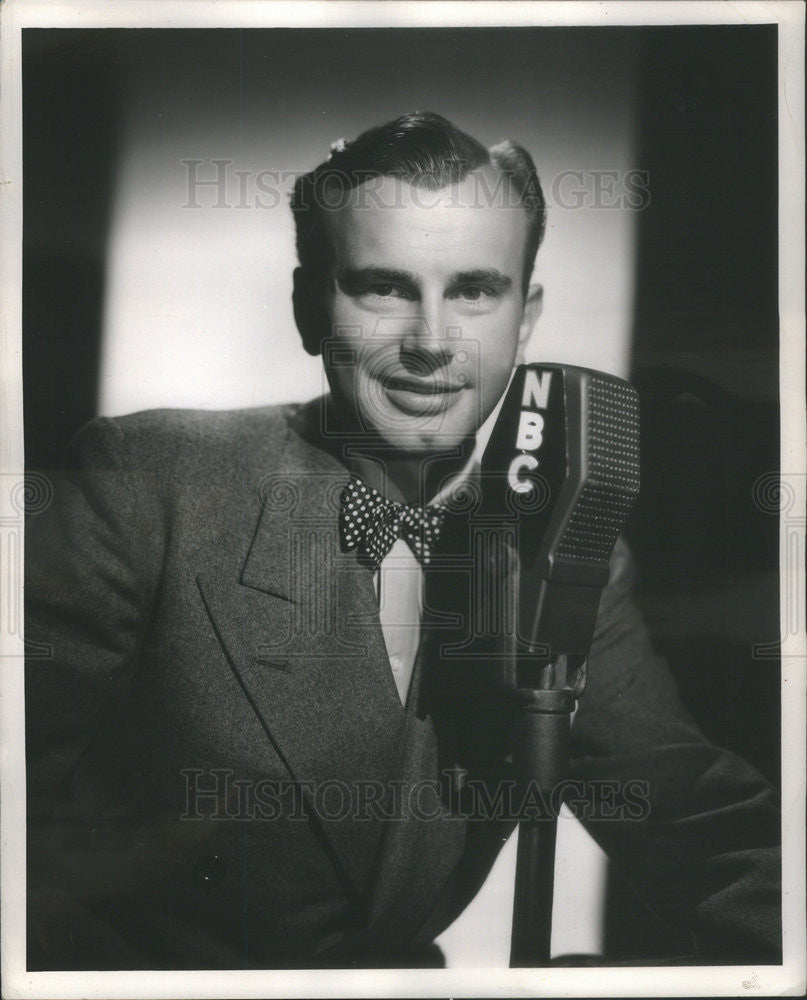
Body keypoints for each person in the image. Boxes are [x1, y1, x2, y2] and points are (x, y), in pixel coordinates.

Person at [25, 111, 780, 970]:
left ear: (523, 318)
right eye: (383, 287)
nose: (430, 342)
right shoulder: (153, 482)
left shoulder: (566, 545)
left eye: (473, 290)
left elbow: (700, 826)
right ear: (311, 306)